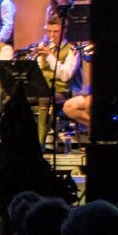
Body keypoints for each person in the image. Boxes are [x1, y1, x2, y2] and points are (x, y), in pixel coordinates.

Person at [35, 13, 82, 145]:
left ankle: (40, 144)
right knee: (16, 96)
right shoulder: (44, 46)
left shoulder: (72, 49)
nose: (52, 35)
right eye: (49, 31)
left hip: (62, 91)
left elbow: (65, 75)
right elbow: (39, 70)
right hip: (43, 87)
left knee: (45, 99)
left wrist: (50, 56)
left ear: (64, 31)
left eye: (56, 31)